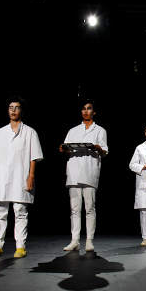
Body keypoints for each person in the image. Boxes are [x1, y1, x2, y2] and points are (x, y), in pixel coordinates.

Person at [0, 96, 43, 259]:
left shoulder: (30, 132)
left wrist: (31, 176)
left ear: (22, 111)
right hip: (0, 177)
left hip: (20, 177)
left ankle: (20, 246)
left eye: (17, 107)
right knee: (0, 212)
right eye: (10, 107)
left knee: (20, 211)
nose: (13, 110)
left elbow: (34, 156)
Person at [59, 99, 108, 252]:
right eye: (84, 109)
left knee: (89, 208)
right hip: (74, 172)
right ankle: (75, 241)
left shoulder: (100, 130)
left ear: (94, 112)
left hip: (89, 172)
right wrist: (64, 150)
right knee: (74, 209)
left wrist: (98, 148)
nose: (86, 111)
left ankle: (89, 241)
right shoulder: (73, 130)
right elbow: (68, 150)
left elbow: (104, 152)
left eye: (89, 108)